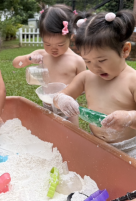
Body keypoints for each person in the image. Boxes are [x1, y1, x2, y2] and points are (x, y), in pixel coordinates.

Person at [53, 10, 136, 158]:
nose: (94, 68)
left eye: (101, 60)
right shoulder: (86, 77)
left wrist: (129, 118)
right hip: (96, 143)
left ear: (125, 50)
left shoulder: (132, 80)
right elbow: (59, 97)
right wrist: (63, 100)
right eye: (87, 61)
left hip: (129, 150)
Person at [12, 5, 86, 124]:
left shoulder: (77, 61)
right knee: (48, 134)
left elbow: (85, 85)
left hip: (68, 109)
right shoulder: (42, 55)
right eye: (47, 44)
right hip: (47, 105)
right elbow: (16, 63)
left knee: (71, 136)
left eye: (60, 45)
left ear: (70, 36)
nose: (53, 50)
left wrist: (68, 94)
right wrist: (29, 58)